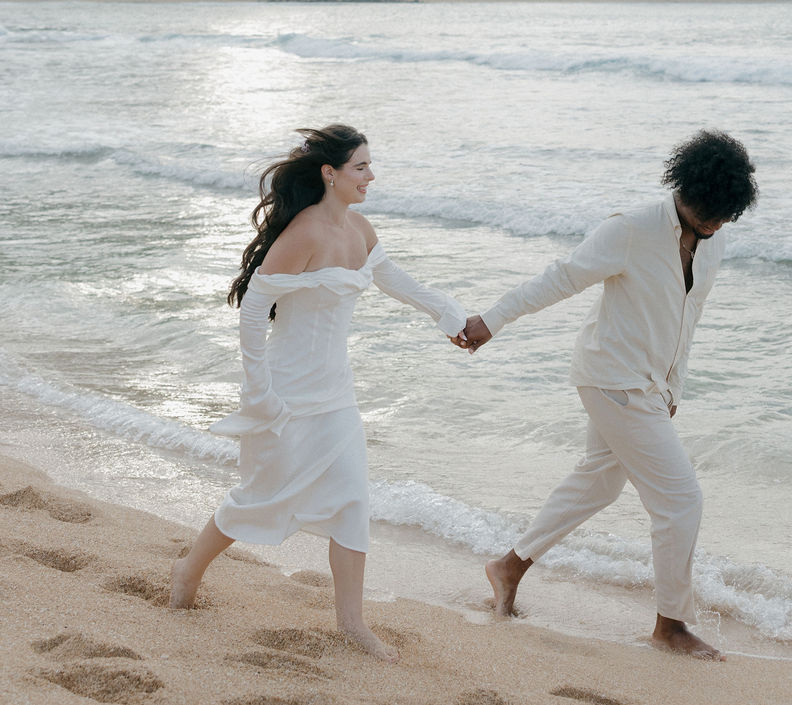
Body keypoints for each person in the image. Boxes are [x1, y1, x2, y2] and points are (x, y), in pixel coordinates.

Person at [455, 129, 758, 661]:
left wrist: (674, 385)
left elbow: (689, 319)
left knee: (597, 485)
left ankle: (508, 568)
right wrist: (492, 320)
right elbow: (563, 277)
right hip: (612, 378)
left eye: (724, 216)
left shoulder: (715, 240)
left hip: (647, 385)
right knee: (681, 500)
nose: (713, 223)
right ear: (684, 188)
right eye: (708, 212)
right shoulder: (632, 230)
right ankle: (671, 626)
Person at [170, 125, 467, 663]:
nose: (371, 176)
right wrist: (258, 392)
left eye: (370, 166)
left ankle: (352, 623)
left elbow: (393, 278)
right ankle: (187, 571)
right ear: (329, 174)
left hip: (336, 394)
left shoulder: (359, 230)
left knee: (353, 499)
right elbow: (255, 309)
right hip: (284, 392)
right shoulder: (304, 234)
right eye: (361, 168)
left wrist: (449, 316)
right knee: (261, 495)